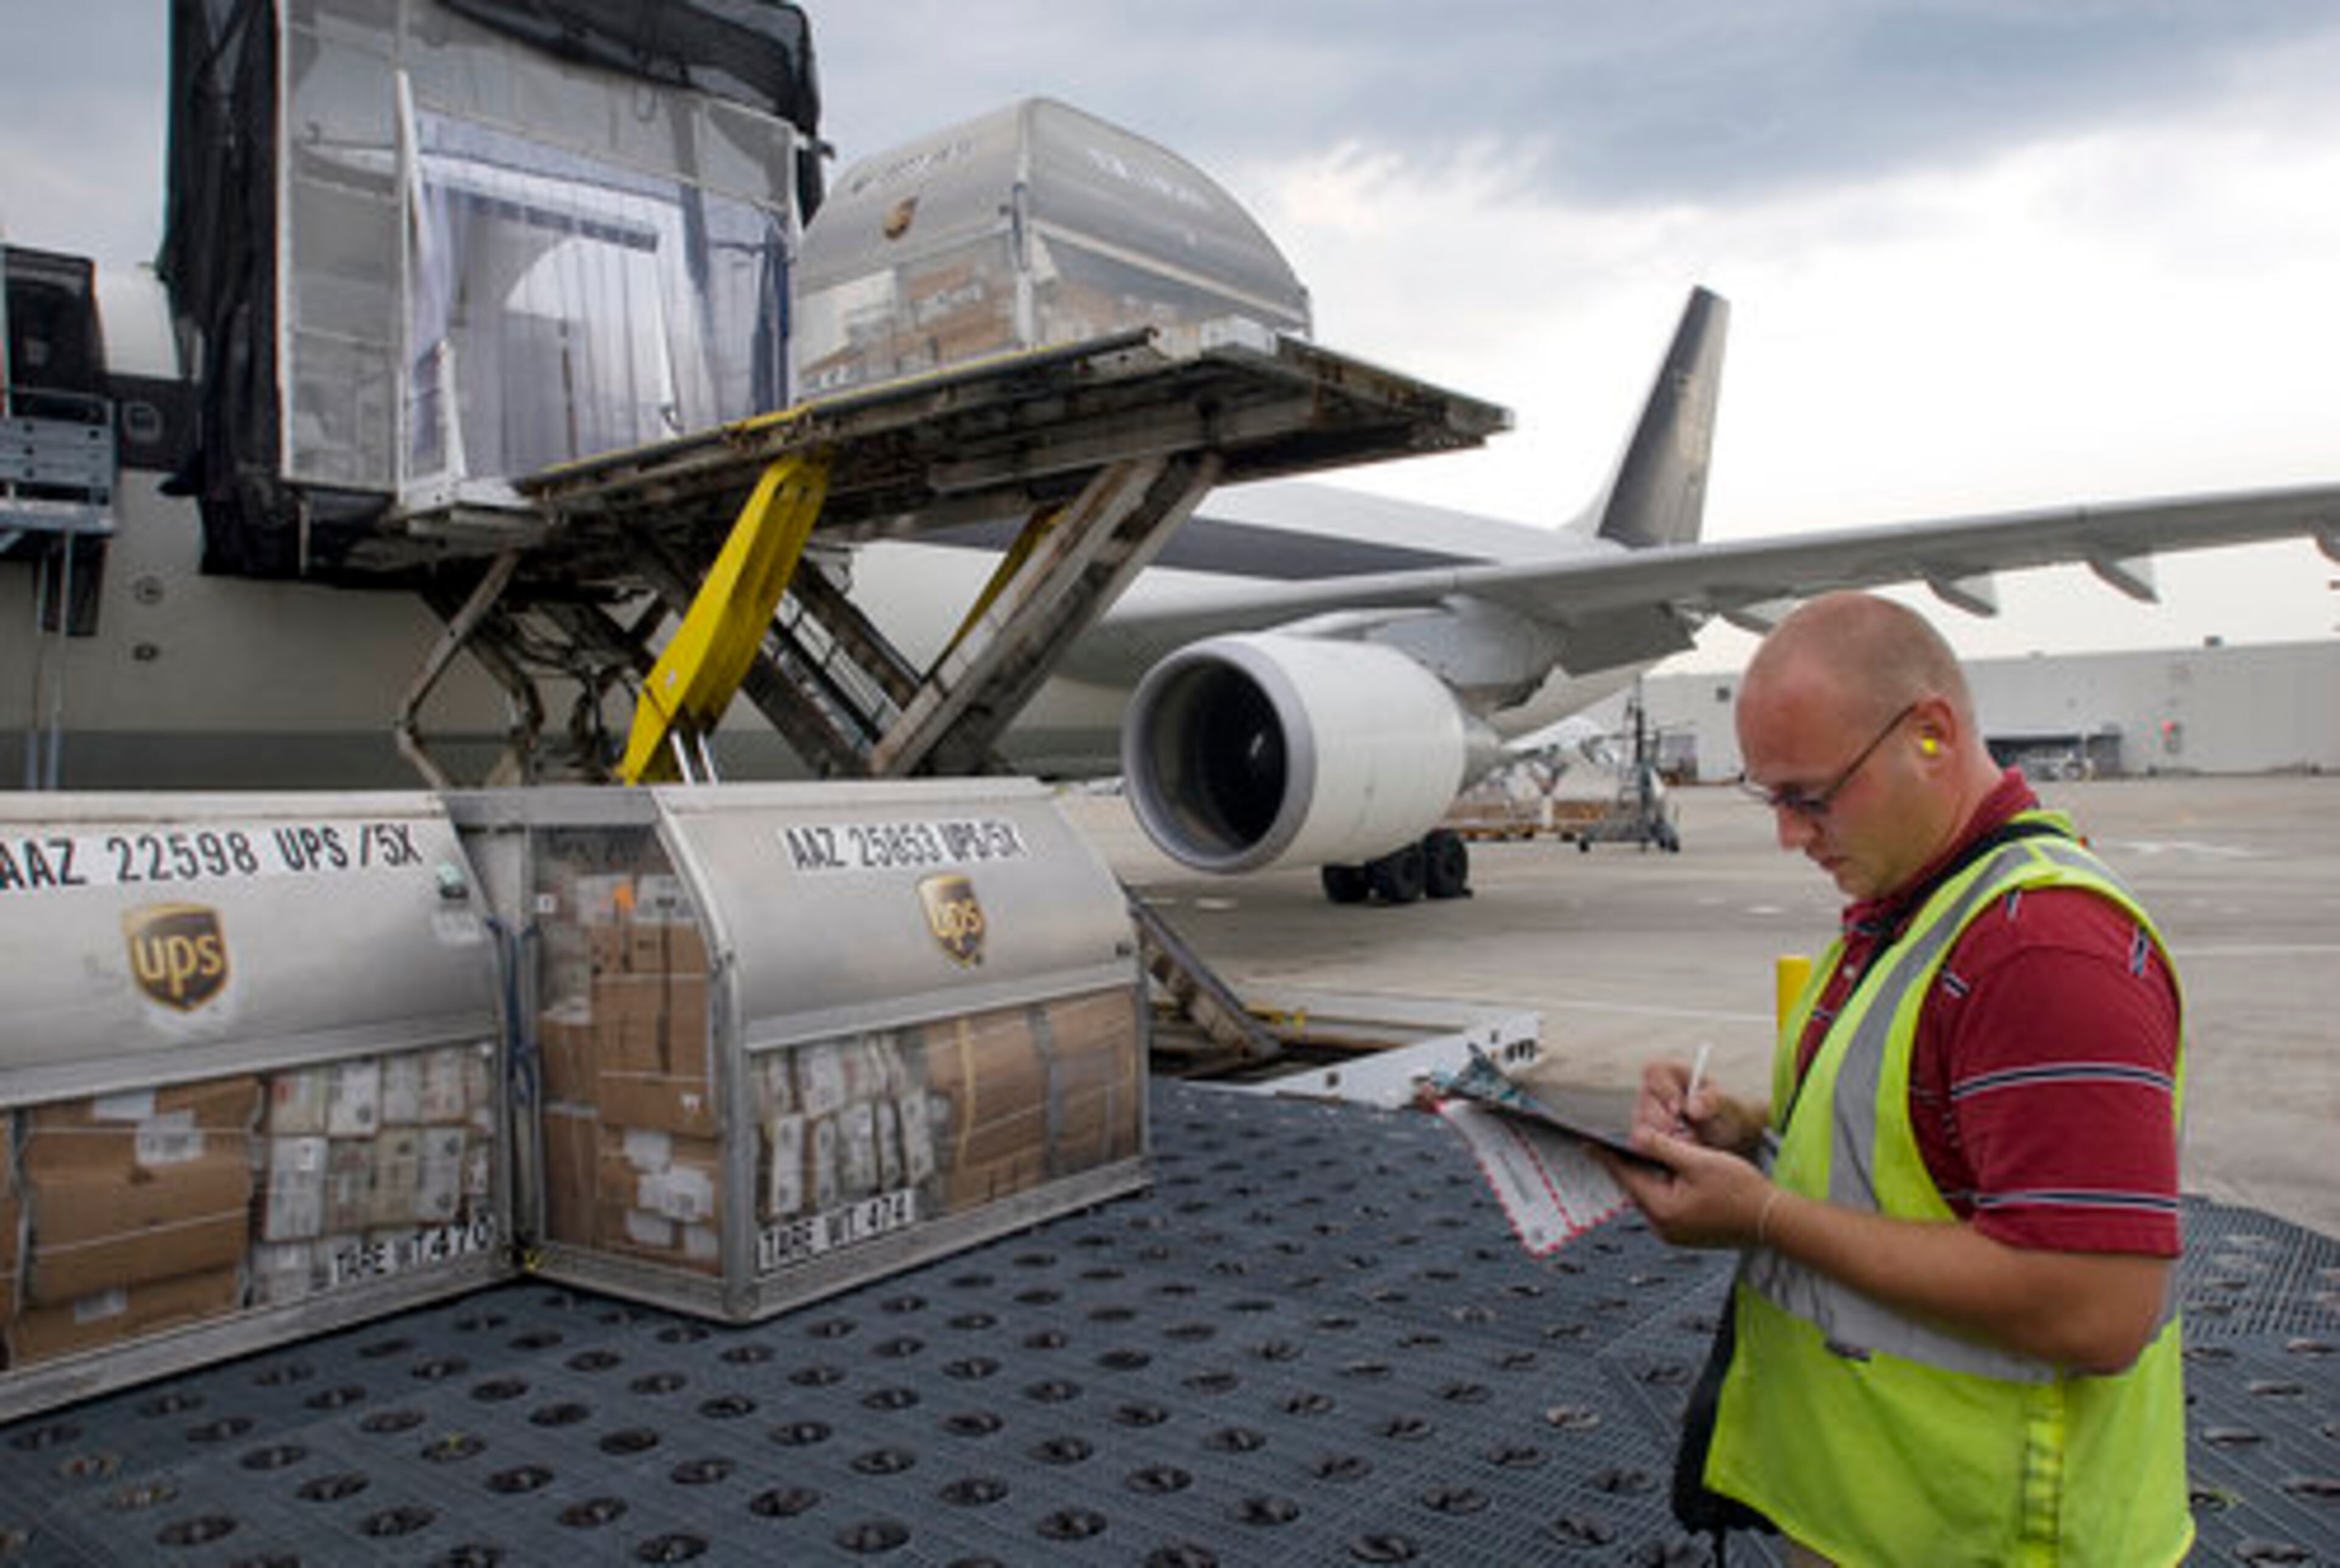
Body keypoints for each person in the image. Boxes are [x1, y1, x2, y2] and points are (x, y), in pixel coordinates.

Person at [1601, 592, 2189, 1567]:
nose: (1791, 835)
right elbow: (1908, 1156)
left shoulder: (2042, 950)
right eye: (1771, 798)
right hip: (1889, 1522)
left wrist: (1760, 1215)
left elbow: (2096, 1304)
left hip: (2003, 1540)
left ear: (1930, 735)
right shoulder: (1916, 906)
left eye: (1812, 796)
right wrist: (1745, 1132)